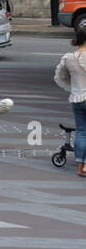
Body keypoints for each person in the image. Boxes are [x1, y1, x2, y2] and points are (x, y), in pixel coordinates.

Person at [54, 21, 86, 178]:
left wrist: (73, 87)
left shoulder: (69, 58)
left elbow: (61, 77)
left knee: (81, 132)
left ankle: (80, 167)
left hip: (77, 98)